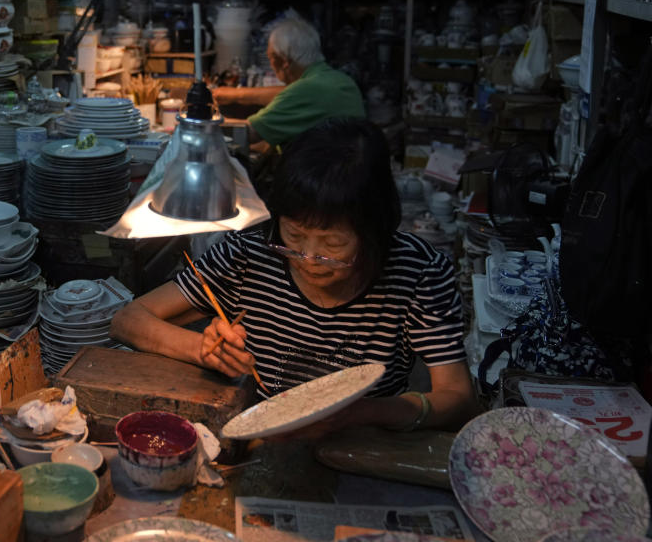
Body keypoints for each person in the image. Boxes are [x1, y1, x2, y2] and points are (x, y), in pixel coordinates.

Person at [111, 119, 476, 434]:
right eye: (295, 236)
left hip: (363, 441)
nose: (310, 259)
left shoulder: (419, 273)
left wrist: (358, 414)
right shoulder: (249, 255)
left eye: (333, 243)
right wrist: (204, 351)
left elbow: (457, 397)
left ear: (375, 230)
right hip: (263, 434)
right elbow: (127, 321)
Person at [215, 16, 366, 154]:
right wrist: (233, 95)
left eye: (270, 58)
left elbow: (248, 132)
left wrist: (205, 120)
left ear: (284, 61)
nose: (271, 65)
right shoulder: (338, 81)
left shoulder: (304, 91)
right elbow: (286, 93)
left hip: (326, 177)